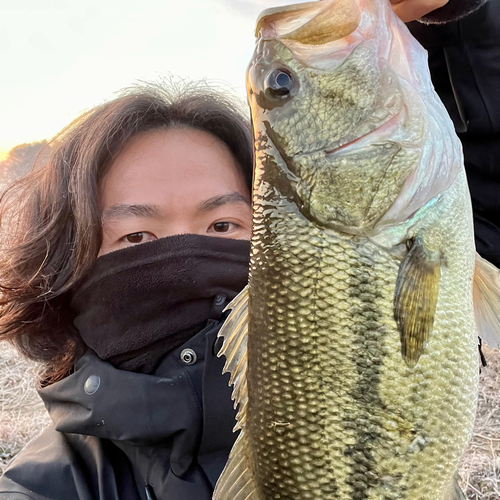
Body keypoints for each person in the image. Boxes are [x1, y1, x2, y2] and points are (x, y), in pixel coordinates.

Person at [0, 1, 494, 499]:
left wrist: (463, 23)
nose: (184, 254)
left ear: (265, 234)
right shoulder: (46, 487)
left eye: (221, 224)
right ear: (67, 265)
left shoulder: (410, 221)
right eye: (136, 237)